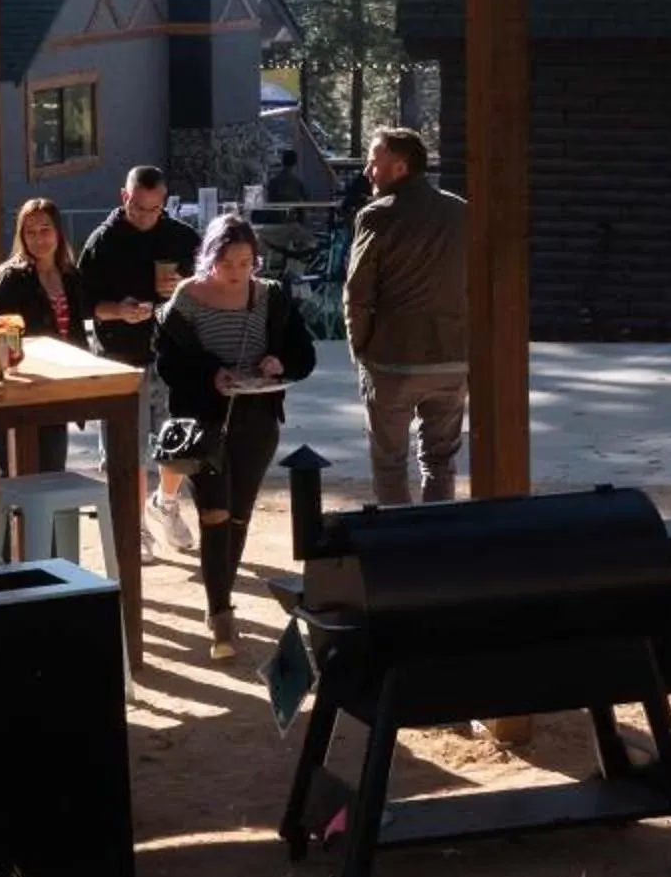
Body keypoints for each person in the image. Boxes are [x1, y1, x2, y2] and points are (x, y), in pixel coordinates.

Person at [153, 214, 319, 661]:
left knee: (240, 514)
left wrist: (278, 361)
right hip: (203, 421)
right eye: (228, 263)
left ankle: (221, 594)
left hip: (257, 418)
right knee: (215, 512)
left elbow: (304, 355)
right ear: (210, 259)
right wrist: (212, 375)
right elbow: (167, 362)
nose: (238, 272)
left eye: (246, 263)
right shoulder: (187, 298)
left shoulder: (271, 297)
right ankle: (220, 613)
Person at [342, 126, 470, 507]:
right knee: (441, 460)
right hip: (452, 356)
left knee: (390, 463)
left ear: (399, 167)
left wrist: (359, 346)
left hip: (392, 358)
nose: (367, 172)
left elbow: (358, 292)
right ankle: (436, 541)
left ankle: (397, 547)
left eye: (373, 162)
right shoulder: (461, 212)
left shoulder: (376, 217)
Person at [78, 165, 204, 545]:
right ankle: (134, 529)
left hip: (172, 355)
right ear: (124, 197)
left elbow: (210, 287)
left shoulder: (182, 237)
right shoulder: (102, 241)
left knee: (180, 444)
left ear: (163, 202)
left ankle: (165, 504)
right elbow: (87, 303)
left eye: (154, 209)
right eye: (138, 208)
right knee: (126, 455)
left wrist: (184, 286)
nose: (146, 216)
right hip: (119, 357)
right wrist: (120, 310)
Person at [0, 196, 93, 475]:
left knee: (52, 473)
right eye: (30, 232)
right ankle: (8, 522)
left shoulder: (71, 276)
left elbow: (78, 333)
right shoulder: (10, 278)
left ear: (58, 231)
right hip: (21, 389)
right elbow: (0, 336)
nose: (38, 239)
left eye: (45, 230)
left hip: (57, 389)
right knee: (16, 476)